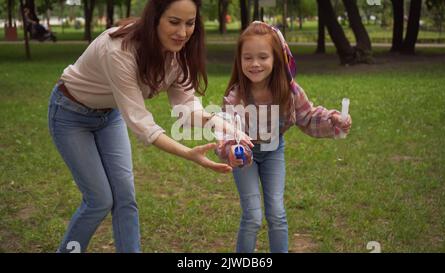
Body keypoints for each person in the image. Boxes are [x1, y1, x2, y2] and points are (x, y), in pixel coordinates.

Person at [48, 0, 251, 253]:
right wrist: (188, 154)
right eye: (174, 22)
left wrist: (217, 121)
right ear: (155, 18)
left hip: (109, 116)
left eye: (190, 23)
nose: (183, 33)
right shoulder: (119, 50)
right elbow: (142, 124)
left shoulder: (178, 53)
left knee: (125, 198)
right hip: (70, 114)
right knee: (99, 200)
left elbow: (186, 106)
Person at [215, 21, 352, 253]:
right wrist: (230, 150)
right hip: (244, 156)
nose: (255, 64)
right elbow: (224, 131)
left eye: (262, 57)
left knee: (277, 213)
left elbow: (308, 117)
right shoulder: (235, 96)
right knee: (253, 216)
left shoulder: (289, 91)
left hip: (273, 152)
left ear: (276, 59)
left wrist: (333, 119)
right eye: (247, 57)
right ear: (239, 61)